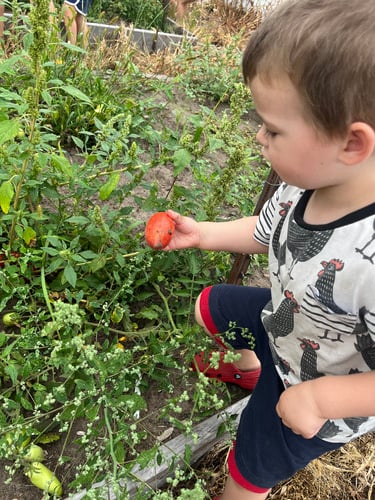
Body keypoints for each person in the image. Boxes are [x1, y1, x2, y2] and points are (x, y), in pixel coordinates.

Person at [157, 0, 375, 498]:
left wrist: (320, 399)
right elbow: (268, 229)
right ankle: (251, 368)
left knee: (246, 475)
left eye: (273, 129)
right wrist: (204, 233)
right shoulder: (305, 185)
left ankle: (262, 405)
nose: (258, 137)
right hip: (287, 320)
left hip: (316, 385)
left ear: (351, 143)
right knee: (207, 306)